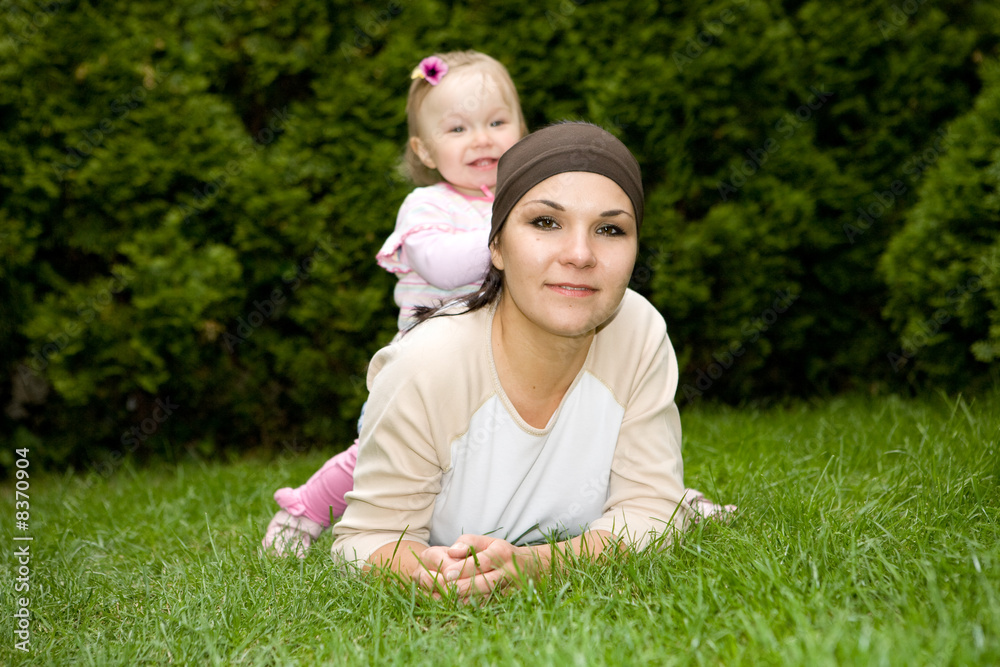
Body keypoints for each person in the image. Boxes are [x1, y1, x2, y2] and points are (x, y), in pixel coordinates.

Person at [330, 122, 732, 600]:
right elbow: (366, 539)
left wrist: (534, 565)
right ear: (496, 245)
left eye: (610, 229)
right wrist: (422, 570)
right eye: (545, 222)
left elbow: (648, 511)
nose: (580, 254)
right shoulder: (426, 365)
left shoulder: (638, 331)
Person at [261, 50, 528, 556]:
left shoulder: (530, 199)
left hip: (507, 366)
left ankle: (658, 498)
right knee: (381, 457)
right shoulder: (428, 205)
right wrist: (516, 233)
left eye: (497, 121)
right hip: (429, 370)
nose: (482, 138)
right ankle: (309, 508)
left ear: (521, 129)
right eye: (457, 129)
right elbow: (447, 267)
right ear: (424, 151)